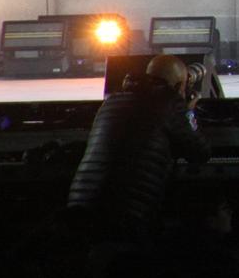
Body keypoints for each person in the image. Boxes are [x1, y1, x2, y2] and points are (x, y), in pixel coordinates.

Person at [66, 53, 210, 239]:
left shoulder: (111, 102)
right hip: (128, 215)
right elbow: (200, 153)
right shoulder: (170, 102)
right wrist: (188, 113)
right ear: (177, 86)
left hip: (80, 207)